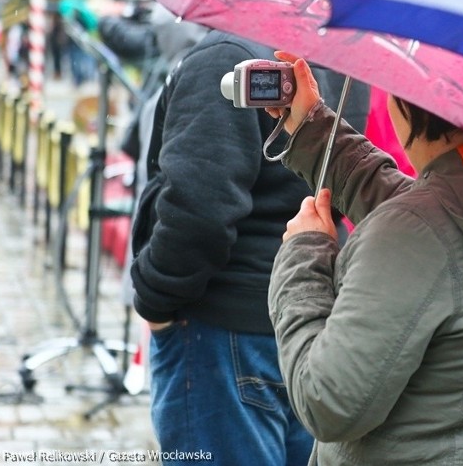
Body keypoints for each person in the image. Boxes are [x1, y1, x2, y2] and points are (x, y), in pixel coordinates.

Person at [266, 53, 463, 465]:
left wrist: (304, 256)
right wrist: (313, 127)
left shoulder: (415, 236)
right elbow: (439, 228)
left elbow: (327, 403)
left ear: (410, 101)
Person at [129, 30, 367, 464]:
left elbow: (198, 209)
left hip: (222, 329)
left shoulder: (225, 57)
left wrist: (154, 302)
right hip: (308, 315)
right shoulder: (341, 57)